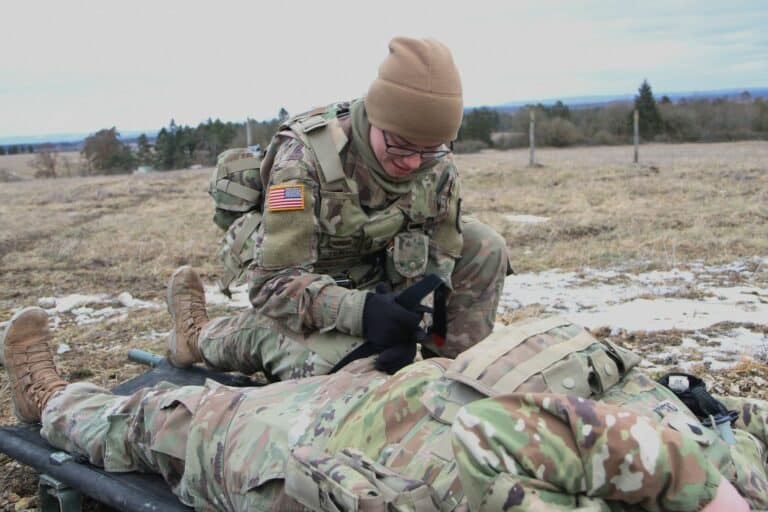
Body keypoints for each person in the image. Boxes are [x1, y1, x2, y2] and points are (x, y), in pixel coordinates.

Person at [4, 307, 765, 511]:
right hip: (436, 388)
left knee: (183, 424)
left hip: (358, 460)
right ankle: (199, 333)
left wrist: (693, 482)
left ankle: (55, 402)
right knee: (304, 349)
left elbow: (497, 437)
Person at [166, 36, 511, 381]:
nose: (414, 162)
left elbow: (440, 255)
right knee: (347, 369)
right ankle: (197, 336)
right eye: (402, 146)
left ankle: (448, 377)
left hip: (376, 272)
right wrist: (363, 313)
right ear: (376, 118)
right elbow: (272, 285)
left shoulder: (436, 163)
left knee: (485, 246)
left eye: (430, 149)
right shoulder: (303, 161)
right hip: (305, 287)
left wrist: (412, 322)